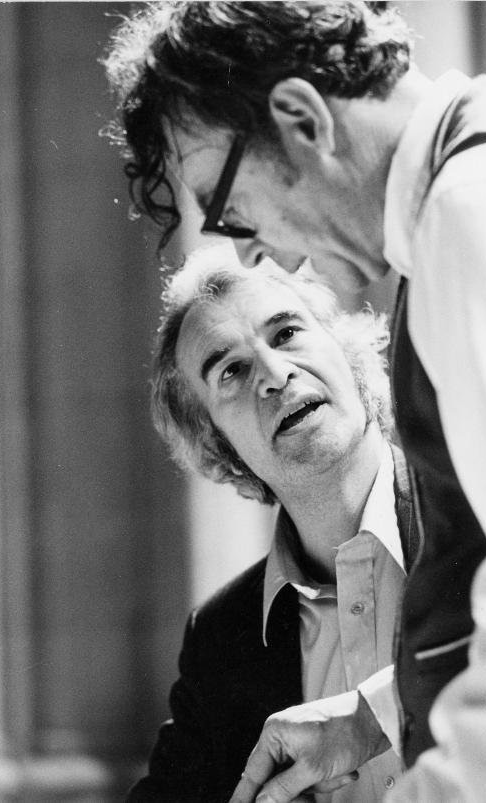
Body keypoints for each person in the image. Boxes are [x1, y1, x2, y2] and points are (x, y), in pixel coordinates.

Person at [104, 3, 486, 801]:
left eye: (225, 202)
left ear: (301, 118)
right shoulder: (485, 188)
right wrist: (375, 716)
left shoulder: (474, 213)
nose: (243, 246)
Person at [129, 245, 419, 802]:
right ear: (219, 446)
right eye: (232, 370)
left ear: (348, 352)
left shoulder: (480, 515)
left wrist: (375, 715)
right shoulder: (220, 636)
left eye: (286, 334)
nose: (275, 373)